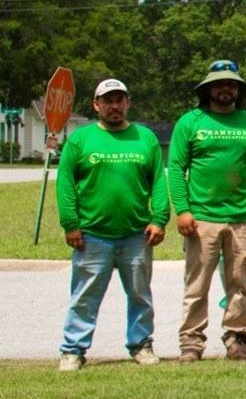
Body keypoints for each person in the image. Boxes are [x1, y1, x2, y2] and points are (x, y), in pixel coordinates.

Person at [55, 79, 169, 371]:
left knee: (140, 295)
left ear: (128, 102)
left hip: (136, 234)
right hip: (93, 235)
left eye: (119, 99)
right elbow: (65, 184)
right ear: (96, 105)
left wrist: (159, 218)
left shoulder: (144, 138)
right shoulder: (81, 140)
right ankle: (73, 350)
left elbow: (157, 181)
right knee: (85, 296)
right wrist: (71, 223)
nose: (114, 105)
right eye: (108, 100)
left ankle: (141, 345)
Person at [168, 59, 246, 363]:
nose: (225, 89)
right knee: (196, 285)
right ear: (208, 88)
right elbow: (176, 168)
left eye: (231, 84)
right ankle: (191, 343)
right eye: (219, 84)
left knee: (239, 285)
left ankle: (236, 339)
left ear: (238, 89)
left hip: (241, 219)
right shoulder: (190, 122)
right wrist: (183, 210)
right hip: (202, 219)